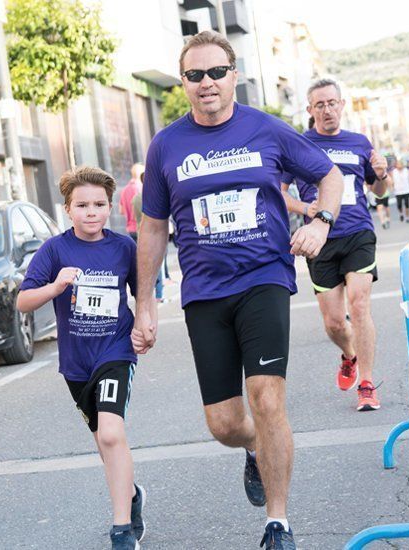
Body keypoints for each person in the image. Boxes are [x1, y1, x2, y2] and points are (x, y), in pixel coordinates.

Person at [133, 31, 343, 550]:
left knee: (267, 397)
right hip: (204, 292)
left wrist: (320, 221)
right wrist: (144, 303)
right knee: (225, 423)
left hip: (264, 278)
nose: (206, 84)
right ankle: (254, 449)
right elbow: (153, 227)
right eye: (194, 75)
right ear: (183, 84)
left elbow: (331, 176)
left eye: (216, 73)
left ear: (234, 76)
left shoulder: (266, 129)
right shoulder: (167, 145)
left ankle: (278, 523)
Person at [16, 166, 146, 550]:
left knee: (111, 433)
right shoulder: (55, 250)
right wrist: (56, 286)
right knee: (104, 444)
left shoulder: (124, 247)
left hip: (115, 352)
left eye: (100, 205)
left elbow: (143, 294)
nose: (92, 212)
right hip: (76, 364)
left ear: (111, 207)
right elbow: (24, 300)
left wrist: (144, 325)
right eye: (83, 205)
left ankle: (122, 529)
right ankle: (133, 496)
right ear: (68, 210)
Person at [281, 78, 390, 413]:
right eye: (320, 105)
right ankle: (349, 355)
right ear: (310, 110)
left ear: (342, 105)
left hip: (358, 231)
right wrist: (306, 209)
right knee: (333, 323)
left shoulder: (359, 142)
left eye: (332, 103)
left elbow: (380, 192)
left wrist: (383, 174)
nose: (327, 110)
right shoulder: (299, 144)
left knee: (359, 305)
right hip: (320, 239)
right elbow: (280, 193)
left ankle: (367, 384)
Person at [131, 172, 165, 302]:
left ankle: (150, 294)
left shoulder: (136, 198)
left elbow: (135, 217)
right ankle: (159, 295)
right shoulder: (156, 196)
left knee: (146, 264)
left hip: (141, 233)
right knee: (159, 265)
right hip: (155, 234)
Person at [119, 164, 144, 239]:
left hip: (131, 230)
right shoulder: (141, 188)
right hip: (142, 228)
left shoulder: (124, 190)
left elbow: (121, 211)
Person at [391, 158, 409, 223]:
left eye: (400, 164)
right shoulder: (393, 172)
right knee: (399, 205)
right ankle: (401, 214)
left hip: (406, 190)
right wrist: (392, 187)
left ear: (402, 165)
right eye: (398, 164)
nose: (399, 165)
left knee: (407, 204)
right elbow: (392, 181)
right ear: (396, 165)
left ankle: (407, 217)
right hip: (398, 191)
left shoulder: (406, 170)